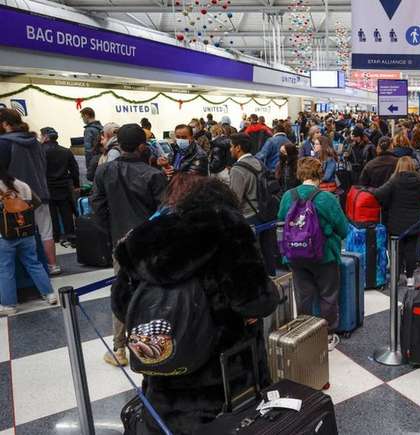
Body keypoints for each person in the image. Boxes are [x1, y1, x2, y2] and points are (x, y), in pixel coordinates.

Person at [113, 178, 279, 434]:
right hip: (226, 381)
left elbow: (122, 307)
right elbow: (255, 301)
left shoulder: (141, 239)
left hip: (163, 382)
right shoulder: (228, 229)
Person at [91, 124, 168, 366]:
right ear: (142, 146)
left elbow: (97, 206)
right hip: (150, 244)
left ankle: (119, 348)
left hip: (120, 243)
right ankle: (155, 342)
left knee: (121, 292)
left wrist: (113, 231)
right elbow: (165, 214)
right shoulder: (153, 175)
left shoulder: (104, 171)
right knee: (154, 291)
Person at [277, 158, 349, 351]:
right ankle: (327, 336)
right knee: (328, 295)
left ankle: (304, 334)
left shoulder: (287, 196)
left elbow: (281, 221)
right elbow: (343, 229)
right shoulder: (326, 198)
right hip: (323, 255)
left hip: (294, 255)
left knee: (303, 296)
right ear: (319, 174)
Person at [0, 109, 58, 274]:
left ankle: (30, 271)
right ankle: (53, 265)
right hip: (41, 193)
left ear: (4, 124)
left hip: (16, 196)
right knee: (46, 232)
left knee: (21, 234)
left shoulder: (4, 143)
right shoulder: (36, 142)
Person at [0, 164, 58, 315]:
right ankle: (50, 294)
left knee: (6, 269)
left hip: (4, 237)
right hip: (27, 233)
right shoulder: (21, 184)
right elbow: (36, 203)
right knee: (34, 263)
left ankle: (9, 305)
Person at [229, 133, 280, 276]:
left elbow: (235, 199)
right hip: (265, 213)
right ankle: (273, 282)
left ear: (238, 148)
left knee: (252, 255)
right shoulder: (259, 162)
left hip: (249, 216)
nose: (230, 150)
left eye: (231, 146)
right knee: (267, 250)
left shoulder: (237, 169)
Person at [373, 157, 420, 287]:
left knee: (397, 251)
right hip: (414, 223)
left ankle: (395, 277)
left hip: (396, 223)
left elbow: (378, 194)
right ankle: (410, 278)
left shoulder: (394, 181)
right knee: (411, 251)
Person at [40, 127, 79, 245]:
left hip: (47, 187)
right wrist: (76, 185)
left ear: (45, 137)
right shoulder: (66, 151)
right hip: (63, 186)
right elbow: (74, 170)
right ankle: (71, 236)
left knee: (51, 215)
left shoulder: (40, 152)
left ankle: (55, 237)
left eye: (41, 136)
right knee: (66, 213)